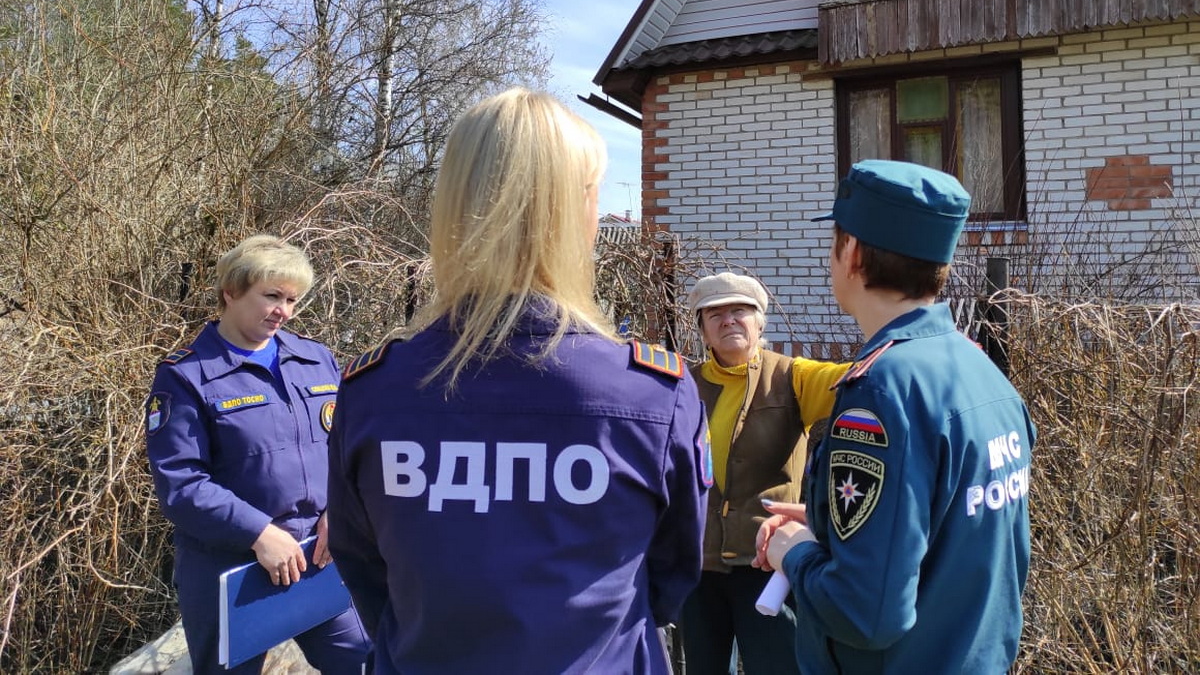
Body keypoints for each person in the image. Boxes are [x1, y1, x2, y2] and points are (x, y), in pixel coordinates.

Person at [326, 88, 710, 675]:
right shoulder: (651, 393)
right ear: (575, 210)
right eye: (593, 194)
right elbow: (672, 575)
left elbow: (369, 574)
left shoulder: (375, 389)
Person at [754, 160, 1036, 674]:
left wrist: (791, 553)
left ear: (853, 254)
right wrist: (826, 525)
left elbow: (866, 615)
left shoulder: (882, 391)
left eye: (834, 241)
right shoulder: (981, 371)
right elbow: (947, 535)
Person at [144, 235, 370, 675]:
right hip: (232, 568)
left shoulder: (315, 359)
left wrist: (340, 509)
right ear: (231, 292)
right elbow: (181, 483)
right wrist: (260, 534)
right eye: (271, 296)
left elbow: (349, 446)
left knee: (367, 662)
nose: (283, 311)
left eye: (292, 299)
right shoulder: (187, 375)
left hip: (317, 555)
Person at [680, 272, 849, 675]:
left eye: (739, 310)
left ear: (760, 322)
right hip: (701, 566)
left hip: (768, 564)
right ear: (702, 329)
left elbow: (854, 377)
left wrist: (915, 356)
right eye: (714, 314)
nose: (728, 320)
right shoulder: (684, 386)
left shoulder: (792, 377)